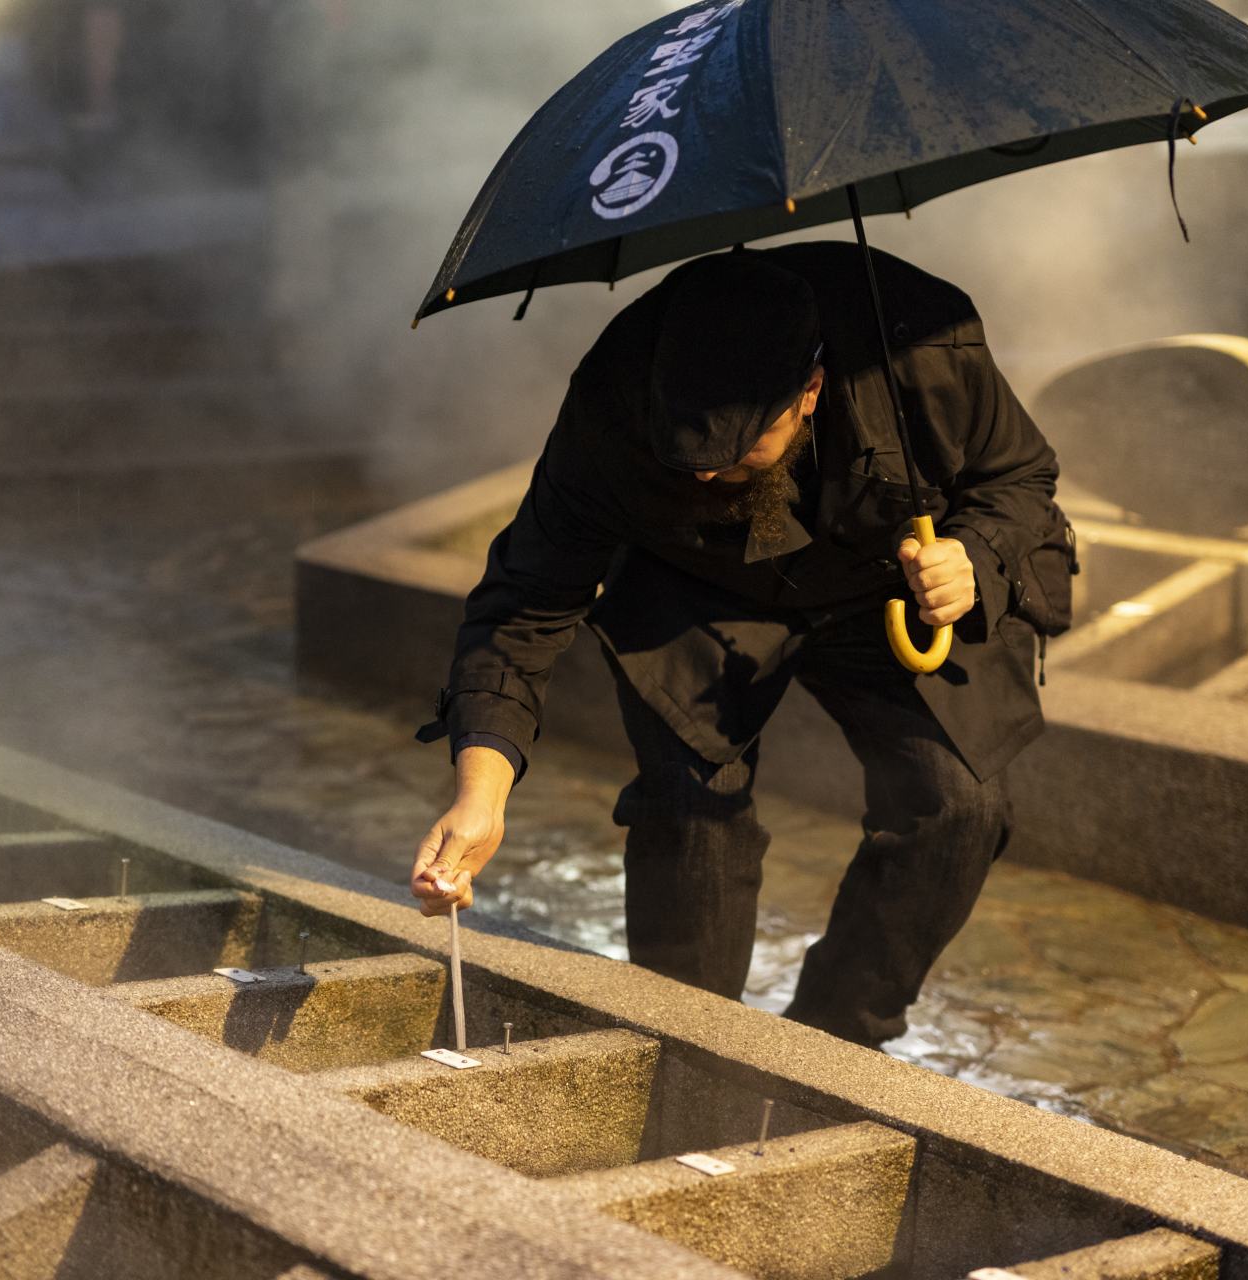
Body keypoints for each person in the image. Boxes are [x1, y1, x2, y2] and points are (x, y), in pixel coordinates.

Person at [407, 243, 1075, 1047]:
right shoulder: (615, 398)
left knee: (959, 808)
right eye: (689, 458)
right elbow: (524, 602)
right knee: (692, 810)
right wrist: (482, 793)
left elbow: (1022, 477)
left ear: (809, 393)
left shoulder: (925, 342)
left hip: (888, 581)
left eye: (734, 458)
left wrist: (974, 555)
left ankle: (833, 1042)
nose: (707, 478)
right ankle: (686, 1045)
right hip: (698, 590)